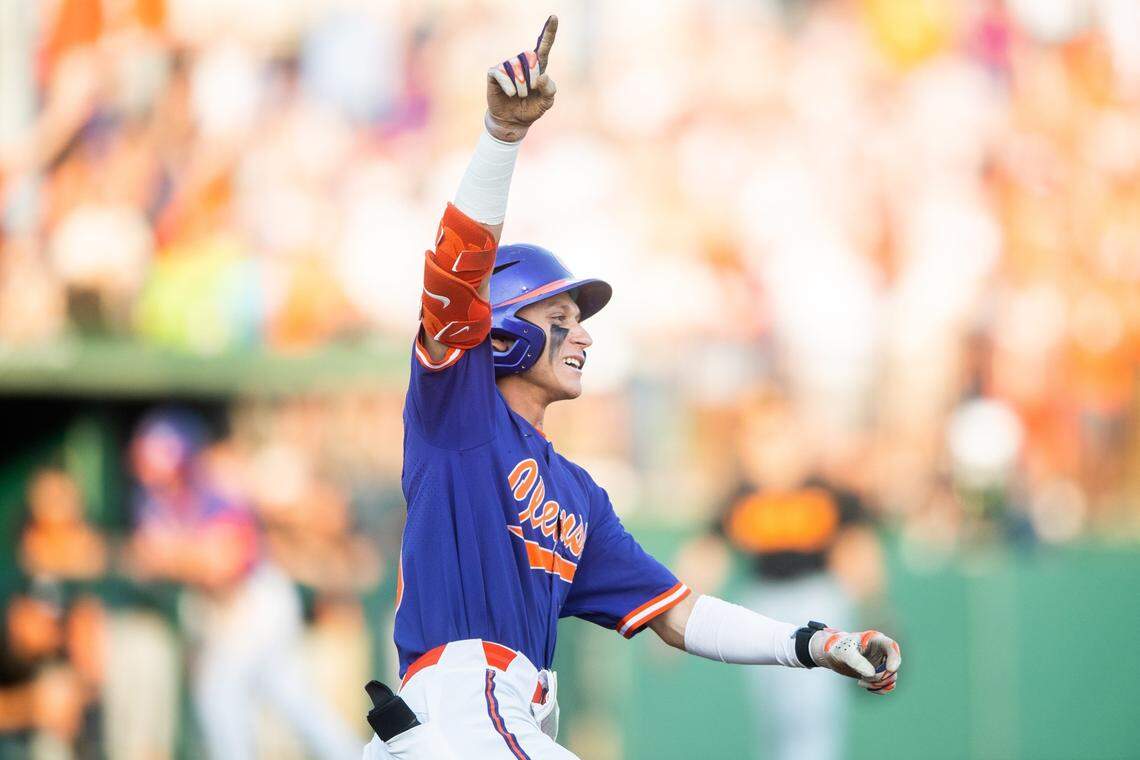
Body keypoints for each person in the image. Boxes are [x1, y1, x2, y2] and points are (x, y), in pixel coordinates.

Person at [363, 16, 902, 759]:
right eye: (560, 317)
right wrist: (501, 137)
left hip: (488, 720)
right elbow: (455, 278)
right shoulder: (460, 416)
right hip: (466, 708)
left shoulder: (579, 494)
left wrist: (811, 643)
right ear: (506, 331)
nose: (583, 334)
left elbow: (680, 612)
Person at [128, 409, 361, 760]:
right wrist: (189, 555)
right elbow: (144, 557)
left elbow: (225, 562)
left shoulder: (211, 492)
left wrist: (177, 556)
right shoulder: (150, 503)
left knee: (219, 691)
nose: (159, 475)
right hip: (229, 610)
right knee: (292, 698)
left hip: (258, 600)